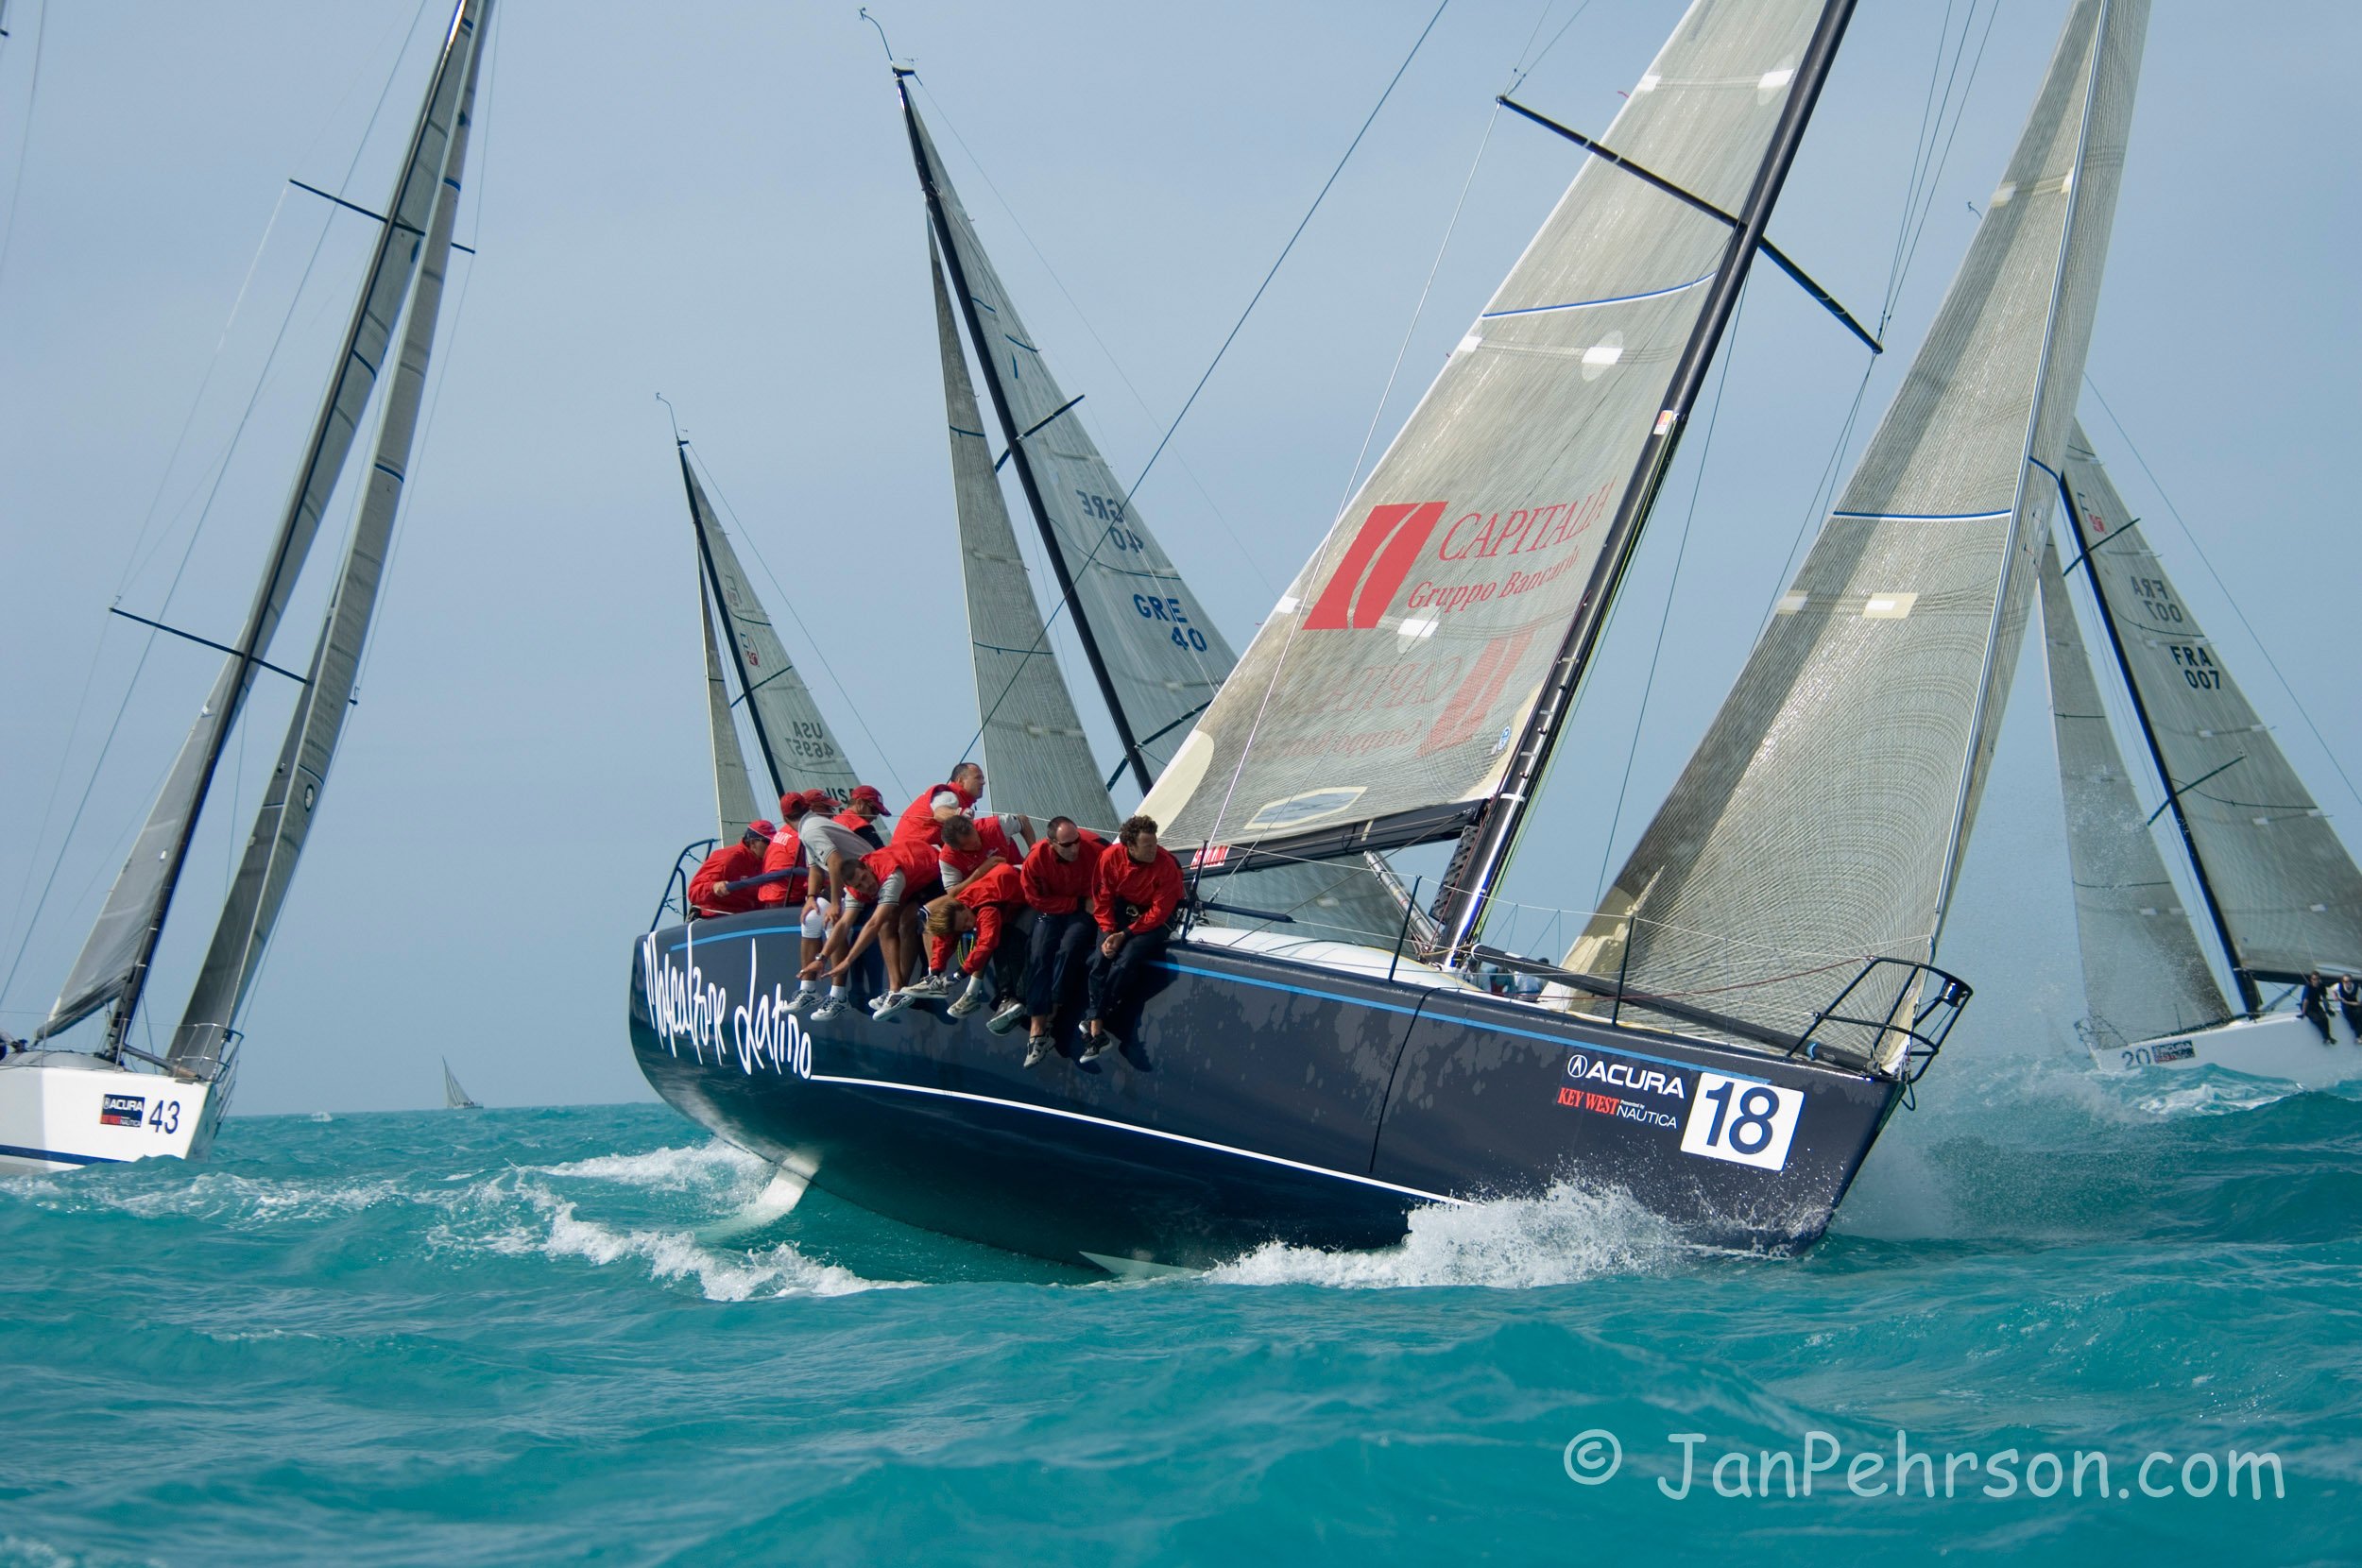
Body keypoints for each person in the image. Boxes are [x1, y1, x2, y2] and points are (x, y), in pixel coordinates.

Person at [1081, 813, 1184, 1064]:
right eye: (1147, 846)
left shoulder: (1166, 864)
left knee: (1127, 958)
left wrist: (1124, 934)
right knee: (1100, 961)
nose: (1154, 850)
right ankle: (1097, 1032)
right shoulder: (1110, 857)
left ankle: (1096, 1023)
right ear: (1130, 846)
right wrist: (1107, 932)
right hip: (1123, 911)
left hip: (1156, 917)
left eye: (1155, 843)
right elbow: (1102, 897)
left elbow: (1159, 912)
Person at [786, 793, 892, 1017]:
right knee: (811, 918)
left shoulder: (811, 829)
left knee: (832, 919)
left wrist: (835, 904)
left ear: (785, 819)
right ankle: (808, 989)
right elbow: (815, 866)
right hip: (848, 879)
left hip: (867, 878)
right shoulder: (808, 828)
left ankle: (838, 995)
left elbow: (835, 862)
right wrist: (811, 897)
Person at [1019, 816, 1103, 1065]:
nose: (1075, 848)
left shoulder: (1094, 849)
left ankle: (1052, 1014)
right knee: (1039, 954)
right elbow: (1035, 900)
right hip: (1054, 907)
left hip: (1083, 909)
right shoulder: (1035, 859)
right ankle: (1036, 1033)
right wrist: (1075, 903)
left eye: (1076, 841)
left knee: (1068, 948)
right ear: (1052, 843)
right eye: (1067, 845)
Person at [831, 834, 945, 1014]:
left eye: (865, 878)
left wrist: (847, 960)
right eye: (859, 885)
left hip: (934, 871)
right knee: (888, 926)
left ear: (867, 868)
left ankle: (930, 981)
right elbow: (844, 923)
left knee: (908, 920)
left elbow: (874, 923)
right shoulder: (855, 887)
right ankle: (896, 989)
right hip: (913, 882)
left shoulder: (891, 875)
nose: (866, 886)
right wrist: (821, 958)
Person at [921, 862, 1033, 1031]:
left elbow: (986, 943)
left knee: (1005, 942)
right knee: (1001, 939)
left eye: (966, 919)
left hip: (1030, 893)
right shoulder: (959, 910)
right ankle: (1006, 998)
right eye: (964, 927)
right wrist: (935, 971)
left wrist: (959, 974)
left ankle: (1011, 998)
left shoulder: (986, 907)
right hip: (1010, 905)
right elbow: (944, 941)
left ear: (964, 908)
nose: (969, 924)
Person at [685, 821, 774, 918]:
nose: (772, 846)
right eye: (768, 842)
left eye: (774, 842)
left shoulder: (767, 863)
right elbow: (694, 891)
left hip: (746, 919)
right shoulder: (728, 858)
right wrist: (713, 887)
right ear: (753, 843)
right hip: (717, 919)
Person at [893, 763, 985, 845]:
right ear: (960, 781)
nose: (983, 782)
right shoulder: (948, 795)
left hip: (908, 851)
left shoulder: (956, 799)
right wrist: (960, 814)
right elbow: (940, 813)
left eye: (983, 778)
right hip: (910, 852)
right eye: (978, 778)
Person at [2300, 970, 2335, 1042]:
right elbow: (2305, 1001)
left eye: (2318, 979)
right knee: (2318, 1019)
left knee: (2325, 1018)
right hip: (2307, 1006)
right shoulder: (2308, 987)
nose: (2316, 981)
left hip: (2316, 1005)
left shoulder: (2321, 986)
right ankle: (2327, 1037)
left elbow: (2324, 999)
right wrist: (2303, 1012)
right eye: (2314, 979)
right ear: (2311, 980)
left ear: (2319, 979)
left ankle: (2327, 1037)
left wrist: (2327, 1009)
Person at [2335, 973, 2362, 1042]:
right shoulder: (2339, 986)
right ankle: (2357, 1033)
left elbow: (2359, 1003)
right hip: (2345, 1005)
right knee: (2347, 1010)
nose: (2348, 983)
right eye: (2345, 981)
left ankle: (2358, 1035)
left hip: (2355, 1004)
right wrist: (2336, 996)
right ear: (2343, 982)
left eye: (2349, 981)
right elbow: (2333, 990)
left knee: (2359, 1013)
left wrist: (2347, 1002)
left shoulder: (2357, 988)